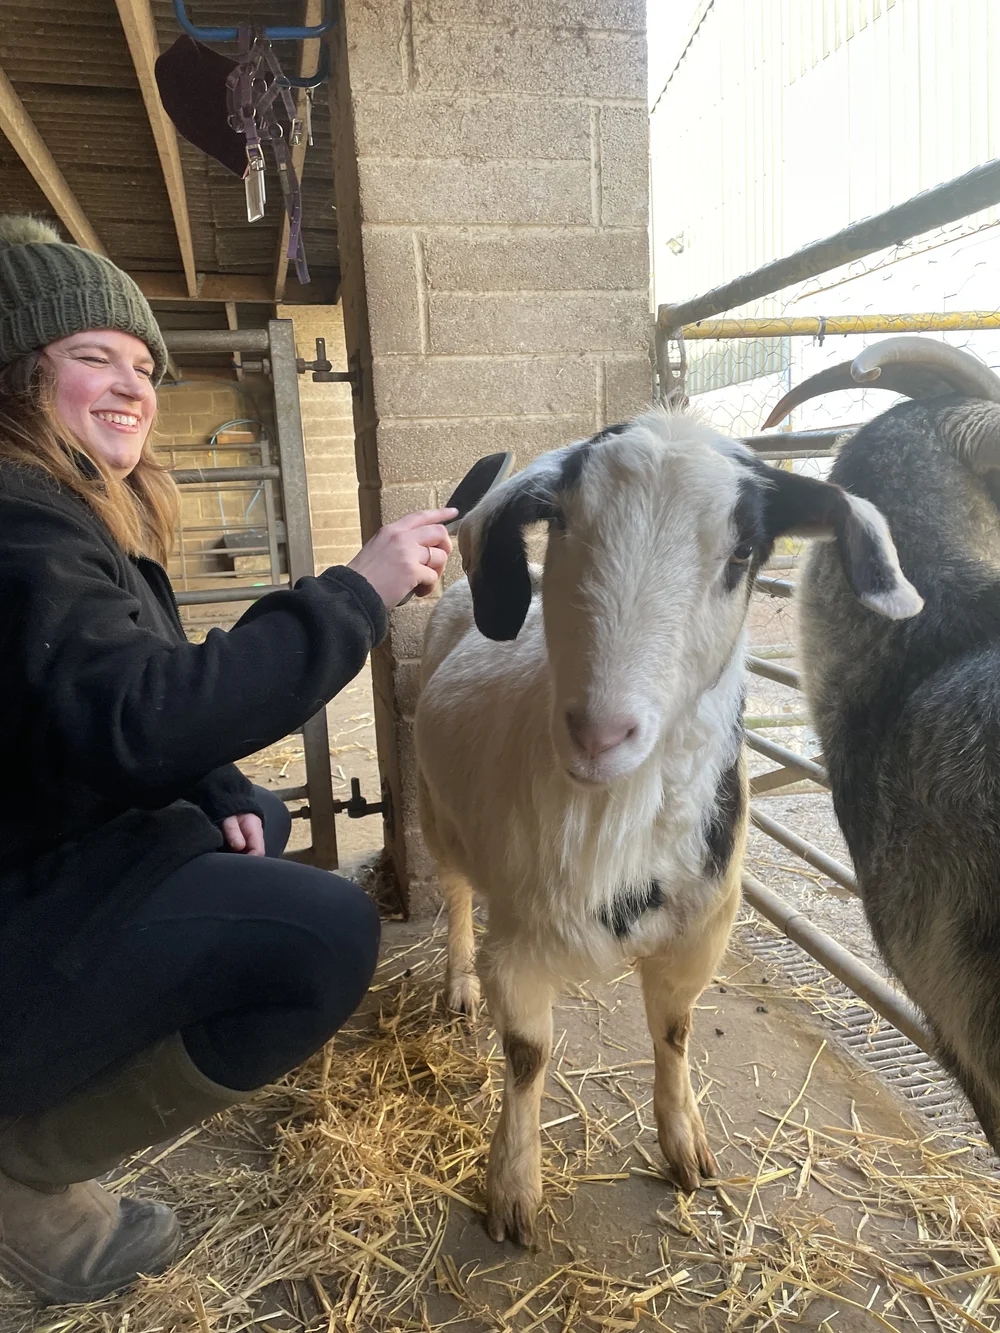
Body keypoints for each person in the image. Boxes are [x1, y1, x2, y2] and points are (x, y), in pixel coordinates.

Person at [0, 216, 455, 1305]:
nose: (134, 386)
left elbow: (93, 699)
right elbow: (134, 715)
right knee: (324, 934)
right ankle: (21, 1176)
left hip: (39, 843)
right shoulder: (19, 526)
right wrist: (356, 593)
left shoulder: (73, 515)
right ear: (17, 372)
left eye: (145, 365)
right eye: (95, 356)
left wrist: (210, 784)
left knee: (255, 818)